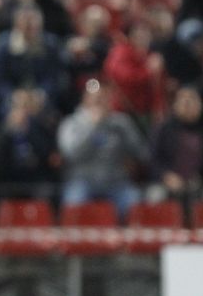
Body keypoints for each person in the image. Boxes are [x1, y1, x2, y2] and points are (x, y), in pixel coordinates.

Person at [57, 80, 148, 218]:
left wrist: (126, 128)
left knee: (135, 203)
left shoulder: (121, 122)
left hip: (117, 182)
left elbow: (142, 153)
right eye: (95, 97)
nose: (100, 101)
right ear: (85, 99)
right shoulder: (71, 123)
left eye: (103, 97)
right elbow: (72, 155)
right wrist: (94, 128)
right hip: (82, 181)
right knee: (73, 206)